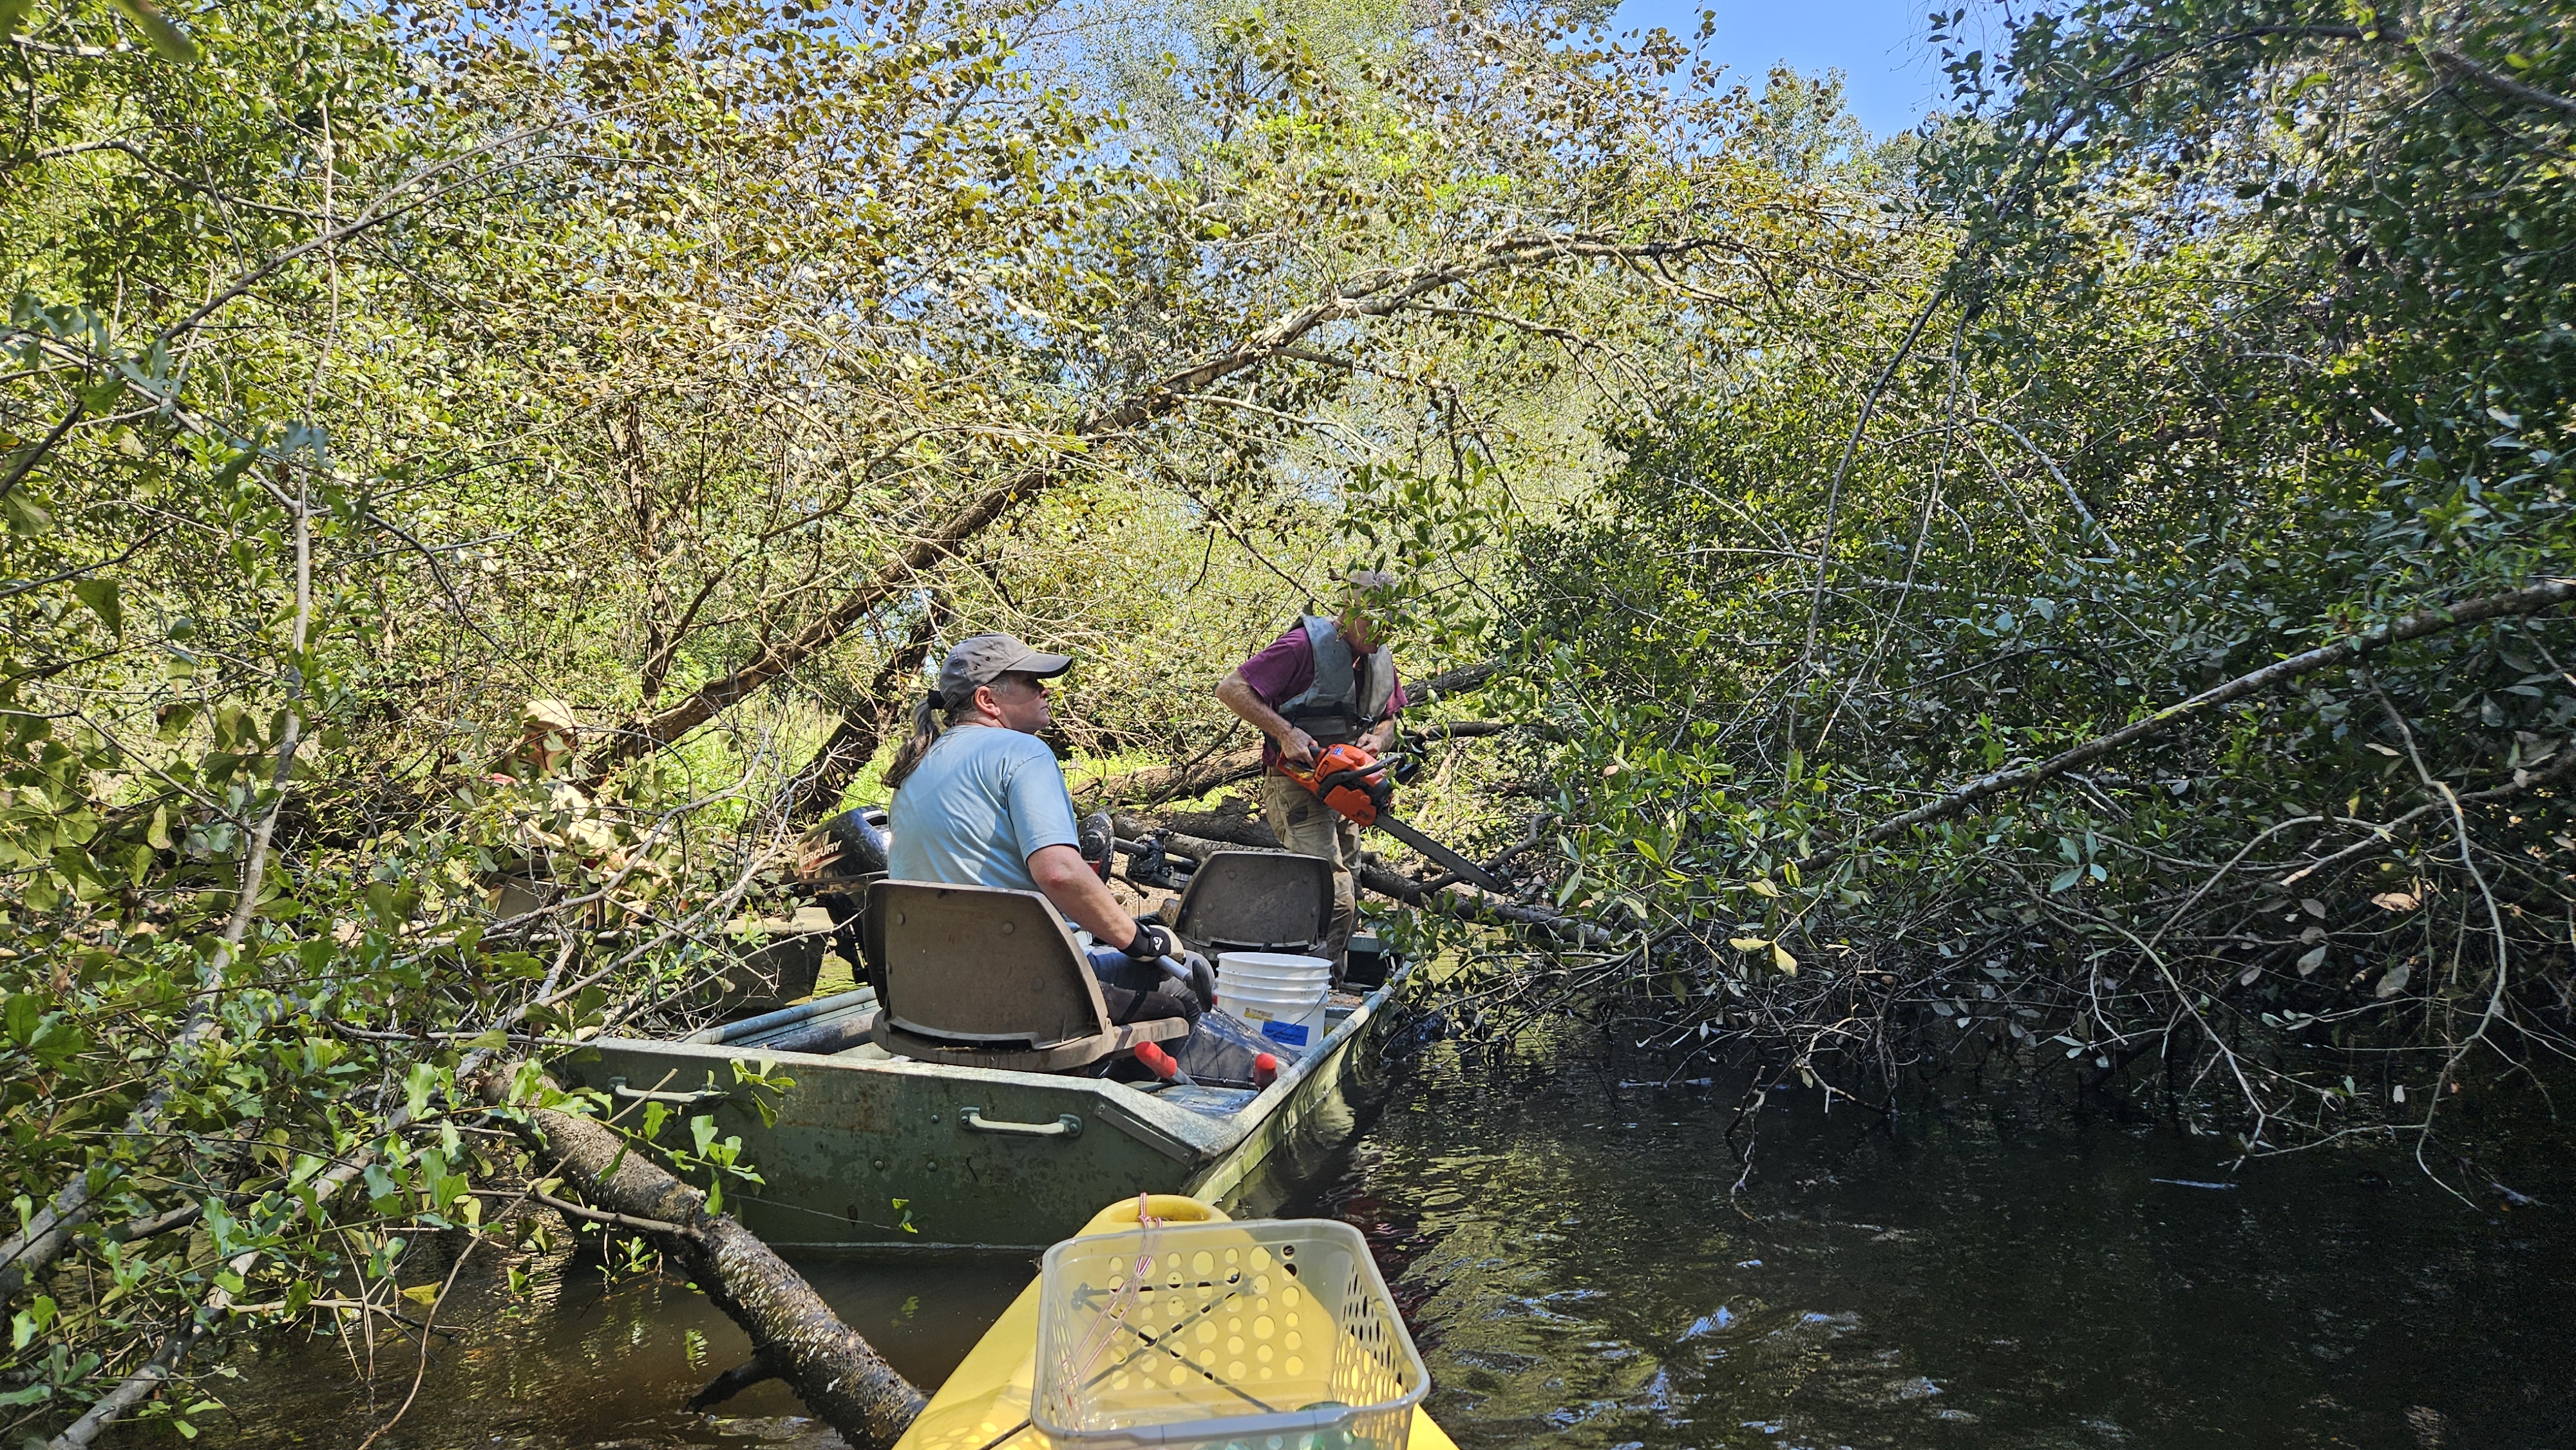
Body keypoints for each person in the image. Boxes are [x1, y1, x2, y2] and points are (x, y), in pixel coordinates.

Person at [883, 633, 1209, 1031]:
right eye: (1032, 683)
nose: (1045, 692)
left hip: (931, 996)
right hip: (1024, 996)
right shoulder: (1023, 751)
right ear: (988, 700)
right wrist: (1141, 940)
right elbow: (1059, 872)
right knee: (1188, 989)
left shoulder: (913, 769)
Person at [1213, 570, 1408, 971]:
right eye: (1375, 621)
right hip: (1297, 785)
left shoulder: (1378, 658)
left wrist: (1381, 739)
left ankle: (1332, 982)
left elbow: (1390, 716)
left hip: (1346, 788)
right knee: (1331, 895)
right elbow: (1231, 689)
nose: (1382, 633)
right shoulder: (1302, 646)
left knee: (1350, 884)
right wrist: (1285, 732)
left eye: (1391, 624)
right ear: (1350, 610)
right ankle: (1305, 985)